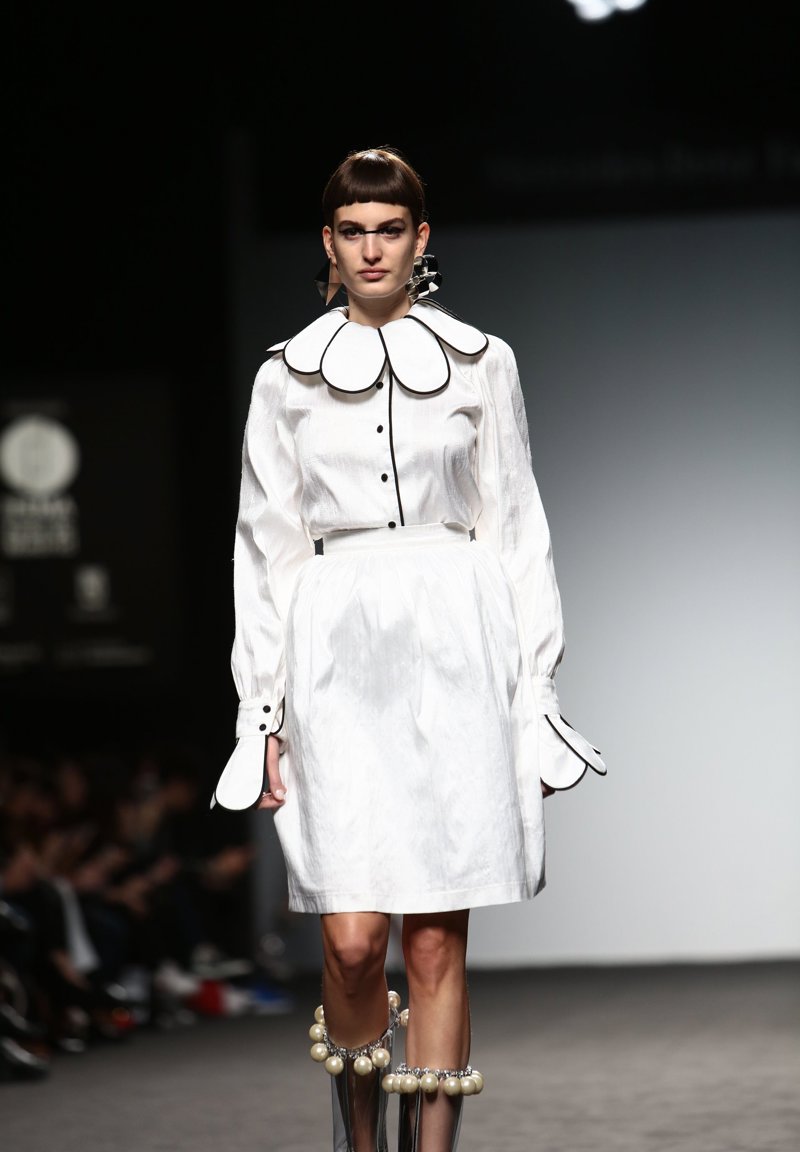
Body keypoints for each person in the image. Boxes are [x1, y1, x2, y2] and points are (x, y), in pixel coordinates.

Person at [211, 147, 607, 1152]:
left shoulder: (481, 362)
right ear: (328, 243)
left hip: (456, 641)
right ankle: (359, 1134)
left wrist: (536, 693)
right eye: (353, 231)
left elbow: (516, 526)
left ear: (420, 238)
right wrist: (261, 711)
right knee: (351, 942)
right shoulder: (285, 378)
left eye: (389, 229)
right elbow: (264, 547)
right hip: (334, 650)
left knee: (433, 942)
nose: (372, 249)